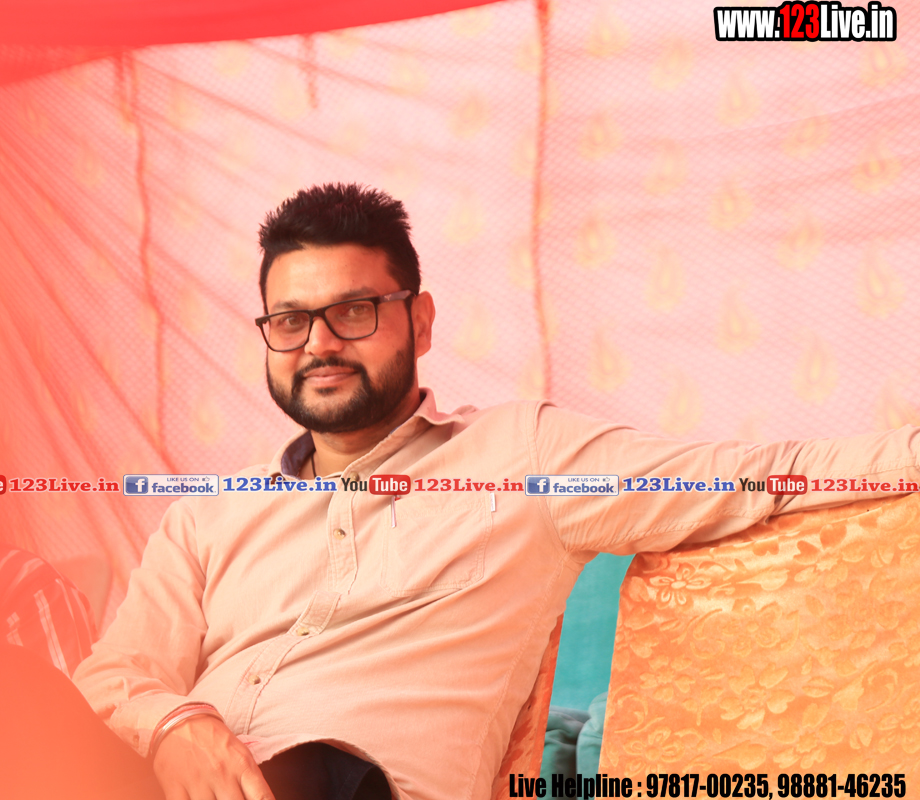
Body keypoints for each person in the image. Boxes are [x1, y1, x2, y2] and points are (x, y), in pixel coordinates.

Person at [73, 183, 920, 800]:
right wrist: (174, 726)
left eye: (354, 311)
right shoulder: (207, 517)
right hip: (150, 781)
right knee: (11, 700)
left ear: (420, 321)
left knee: (313, 767)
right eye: (290, 321)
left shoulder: (523, 456)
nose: (319, 343)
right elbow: (114, 675)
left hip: (344, 783)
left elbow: (755, 474)